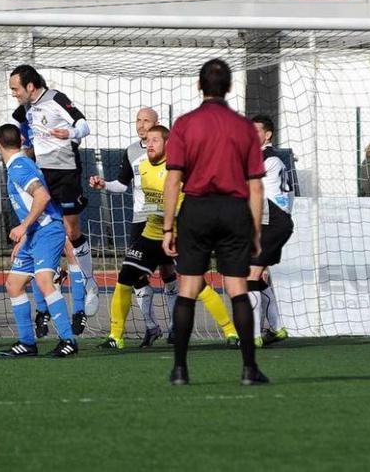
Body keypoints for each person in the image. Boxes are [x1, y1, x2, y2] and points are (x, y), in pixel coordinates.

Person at [90, 108, 239, 347]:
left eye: (154, 140)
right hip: (151, 232)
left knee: (197, 284)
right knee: (125, 277)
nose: (148, 144)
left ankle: (231, 332)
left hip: (180, 235)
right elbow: (142, 195)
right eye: (147, 141)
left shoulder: (180, 168)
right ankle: (116, 336)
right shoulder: (142, 166)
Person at [162, 58, 268, 386]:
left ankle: (180, 369)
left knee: (188, 288)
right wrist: (255, 230)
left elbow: (173, 179)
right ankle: (249, 369)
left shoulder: (184, 124)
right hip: (234, 210)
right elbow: (256, 185)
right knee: (237, 287)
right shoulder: (243, 127)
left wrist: (168, 227)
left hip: (196, 209)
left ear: (199, 85)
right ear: (230, 87)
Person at [9, 65, 97, 335]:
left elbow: (84, 125)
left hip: (66, 172)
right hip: (42, 173)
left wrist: (69, 134)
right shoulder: (24, 110)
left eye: (15, 88)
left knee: (70, 233)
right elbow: (26, 132)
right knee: (39, 233)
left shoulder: (57, 98)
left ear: (31, 86)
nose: (13, 93)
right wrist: (26, 153)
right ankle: (44, 310)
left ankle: (87, 285)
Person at [0, 124, 77, 358]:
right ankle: (27, 343)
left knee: (44, 281)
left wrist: (23, 227)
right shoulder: (19, 165)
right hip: (34, 234)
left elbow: (42, 196)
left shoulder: (19, 166)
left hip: (46, 230)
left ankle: (68, 340)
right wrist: (25, 236)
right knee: (14, 284)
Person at [248, 115, 294, 347]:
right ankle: (276, 328)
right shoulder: (267, 158)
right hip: (272, 222)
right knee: (257, 274)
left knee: (250, 276)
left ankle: (253, 335)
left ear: (267, 135)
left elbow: (253, 191)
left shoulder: (268, 159)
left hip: (273, 222)